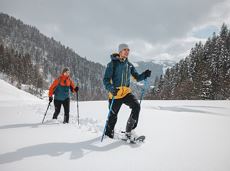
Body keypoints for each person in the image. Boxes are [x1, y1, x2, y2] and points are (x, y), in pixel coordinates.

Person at [103, 43, 151, 139]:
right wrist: (111, 88)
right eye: (125, 50)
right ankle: (108, 135)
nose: (127, 52)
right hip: (115, 94)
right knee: (113, 116)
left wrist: (144, 75)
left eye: (128, 50)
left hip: (126, 93)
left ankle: (129, 130)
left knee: (136, 106)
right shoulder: (112, 64)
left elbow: (136, 77)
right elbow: (106, 80)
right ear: (120, 51)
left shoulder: (129, 65)